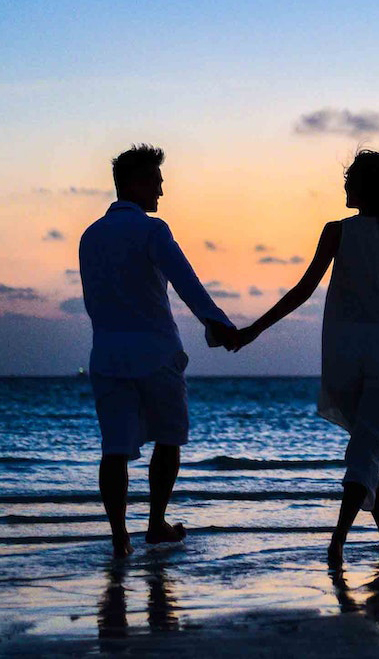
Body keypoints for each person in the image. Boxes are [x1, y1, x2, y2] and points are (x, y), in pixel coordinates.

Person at [234, 150, 379, 564]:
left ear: (366, 187)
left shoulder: (336, 231)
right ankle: (337, 543)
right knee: (367, 450)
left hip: (343, 359)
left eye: (350, 180)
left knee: (369, 446)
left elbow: (303, 291)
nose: (344, 186)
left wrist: (253, 330)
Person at [79, 144, 238, 557]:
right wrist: (218, 325)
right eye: (156, 182)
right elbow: (185, 281)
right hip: (155, 352)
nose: (161, 192)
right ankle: (155, 524)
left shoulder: (89, 236)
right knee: (168, 439)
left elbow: (93, 299)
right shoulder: (153, 230)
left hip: (108, 354)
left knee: (114, 449)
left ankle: (119, 537)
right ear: (134, 183)